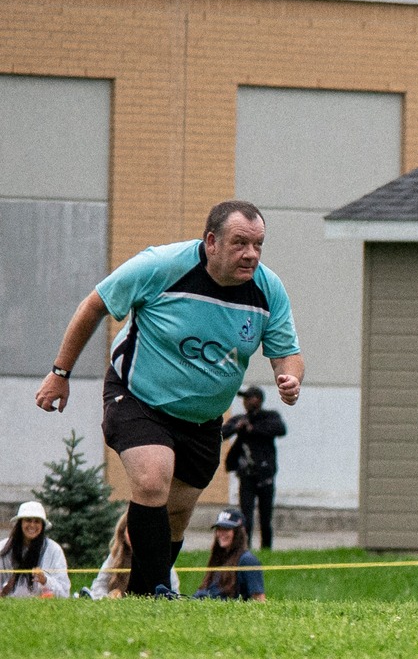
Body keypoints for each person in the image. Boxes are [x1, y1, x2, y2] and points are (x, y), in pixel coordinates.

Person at [34, 199, 302, 599]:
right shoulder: (160, 266)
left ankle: (144, 593)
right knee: (151, 480)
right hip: (138, 397)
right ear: (211, 241)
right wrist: (60, 373)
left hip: (204, 419)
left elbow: (288, 353)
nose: (251, 255)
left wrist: (290, 378)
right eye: (240, 243)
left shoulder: (267, 289)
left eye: (258, 245)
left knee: (175, 516)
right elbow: (95, 306)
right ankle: (159, 590)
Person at [221, 385, 288, 550]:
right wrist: (237, 428)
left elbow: (280, 429)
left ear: (258, 400)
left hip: (265, 475)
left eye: (249, 398)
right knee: (246, 517)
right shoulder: (241, 419)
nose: (245, 402)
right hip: (247, 475)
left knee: (265, 518)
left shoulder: (269, 417)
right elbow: (222, 433)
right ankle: (245, 548)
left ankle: (266, 548)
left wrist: (253, 429)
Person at [87, 513, 177, 599]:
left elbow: (174, 590)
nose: (135, 536)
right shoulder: (115, 556)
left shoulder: (159, 557)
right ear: (123, 534)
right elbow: (99, 586)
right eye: (131, 531)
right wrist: (105, 599)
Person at [191, 508, 264, 601]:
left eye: (226, 529)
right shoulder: (219, 557)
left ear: (238, 532)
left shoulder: (247, 560)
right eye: (219, 529)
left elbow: (259, 599)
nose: (221, 533)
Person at [0, 501, 69, 599]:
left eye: (37, 521)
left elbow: (64, 593)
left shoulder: (54, 550)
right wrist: (6, 589)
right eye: (28, 520)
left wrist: (45, 581)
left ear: (42, 525)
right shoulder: (3, 548)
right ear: (20, 523)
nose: (32, 525)